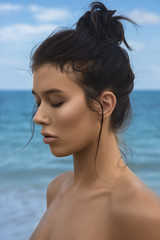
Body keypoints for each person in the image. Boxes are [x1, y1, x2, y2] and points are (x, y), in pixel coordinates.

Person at [29, 1, 160, 239]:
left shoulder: (144, 215)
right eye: (38, 102)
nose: (38, 117)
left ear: (104, 105)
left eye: (56, 101)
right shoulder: (57, 189)